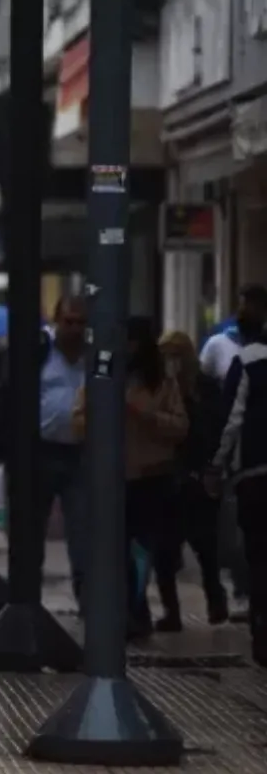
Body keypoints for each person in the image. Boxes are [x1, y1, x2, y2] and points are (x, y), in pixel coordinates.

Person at [73, 316, 188, 640]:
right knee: (113, 550)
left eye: (133, 342)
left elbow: (179, 427)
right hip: (111, 478)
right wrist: (102, 413)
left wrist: (146, 415)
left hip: (151, 478)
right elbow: (78, 421)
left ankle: (137, 611)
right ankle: (122, 612)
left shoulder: (162, 381)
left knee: (143, 551)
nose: (127, 349)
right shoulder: (103, 373)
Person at [0, 296, 88, 606]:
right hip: (39, 453)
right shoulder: (39, 352)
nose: (74, 329)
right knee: (29, 534)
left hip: (80, 454)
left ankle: (87, 602)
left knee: (83, 533)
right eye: (68, 322)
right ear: (56, 321)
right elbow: (9, 397)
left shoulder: (94, 356)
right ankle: (25, 602)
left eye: (80, 322)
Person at [153, 331, 228, 630]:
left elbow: (216, 427)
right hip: (167, 475)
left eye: (176, 355)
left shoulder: (205, 389)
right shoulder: (161, 388)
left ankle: (215, 599)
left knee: (205, 546)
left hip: (197, 476)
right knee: (165, 551)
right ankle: (171, 611)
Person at [208, 284, 267, 664]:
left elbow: (232, 420)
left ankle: (262, 635)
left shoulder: (248, 360)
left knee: (260, 556)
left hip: (257, 477)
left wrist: (215, 464)